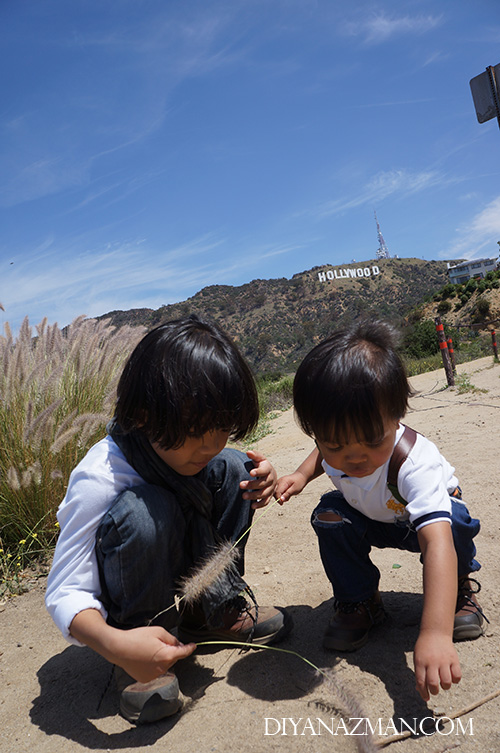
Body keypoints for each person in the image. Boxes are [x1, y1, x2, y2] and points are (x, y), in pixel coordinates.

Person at [46, 314, 289, 724]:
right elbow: (65, 589)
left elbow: (220, 458)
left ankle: (208, 614)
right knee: (143, 511)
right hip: (126, 614)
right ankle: (141, 649)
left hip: (184, 575)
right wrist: (112, 642)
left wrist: (260, 482)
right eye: (197, 429)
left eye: (223, 427)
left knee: (234, 467)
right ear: (144, 415)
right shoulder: (99, 476)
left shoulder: (195, 447)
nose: (211, 443)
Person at [276, 319, 486, 703]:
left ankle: (456, 592)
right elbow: (322, 455)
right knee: (329, 514)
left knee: (452, 523)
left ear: (397, 416)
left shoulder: (414, 463)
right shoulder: (335, 447)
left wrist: (435, 634)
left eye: (371, 440)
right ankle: (360, 602)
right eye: (336, 444)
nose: (353, 457)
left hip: (420, 523)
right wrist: (302, 475)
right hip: (373, 516)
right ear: (317, 433)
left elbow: (435, 541)